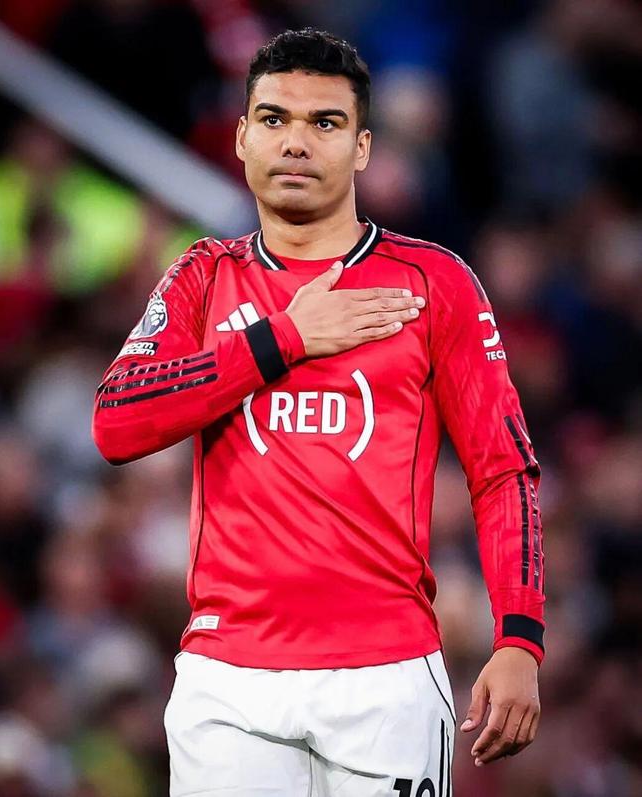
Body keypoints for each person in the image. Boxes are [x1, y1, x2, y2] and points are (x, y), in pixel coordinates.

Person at [92, 28, 544, 797]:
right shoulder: (203, 275)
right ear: (241, 137)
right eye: (274, 119)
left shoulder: (434, 283)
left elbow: (505, 470)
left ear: (363, 147)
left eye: (324, 122)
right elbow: (117, 421)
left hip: (387, 676)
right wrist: (285, 338)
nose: (295, 142)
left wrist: (520, 637)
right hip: (229, 681)